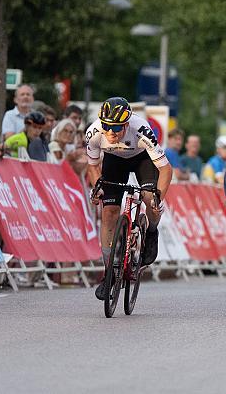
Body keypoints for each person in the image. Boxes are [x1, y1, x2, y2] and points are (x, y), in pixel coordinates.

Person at [86, 97, 173, 301]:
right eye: (107, 126)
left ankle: (151, 231)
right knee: (109, 213)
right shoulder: (94, 133)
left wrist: (158, 198)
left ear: (126, 123)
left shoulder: (142, 130)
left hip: (143, 159)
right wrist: (97, 187)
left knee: (149, 197)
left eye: (116, 128)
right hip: (114, 161)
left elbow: (166, 169)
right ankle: (109, 273)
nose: (111, 132)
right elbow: (92, 166)